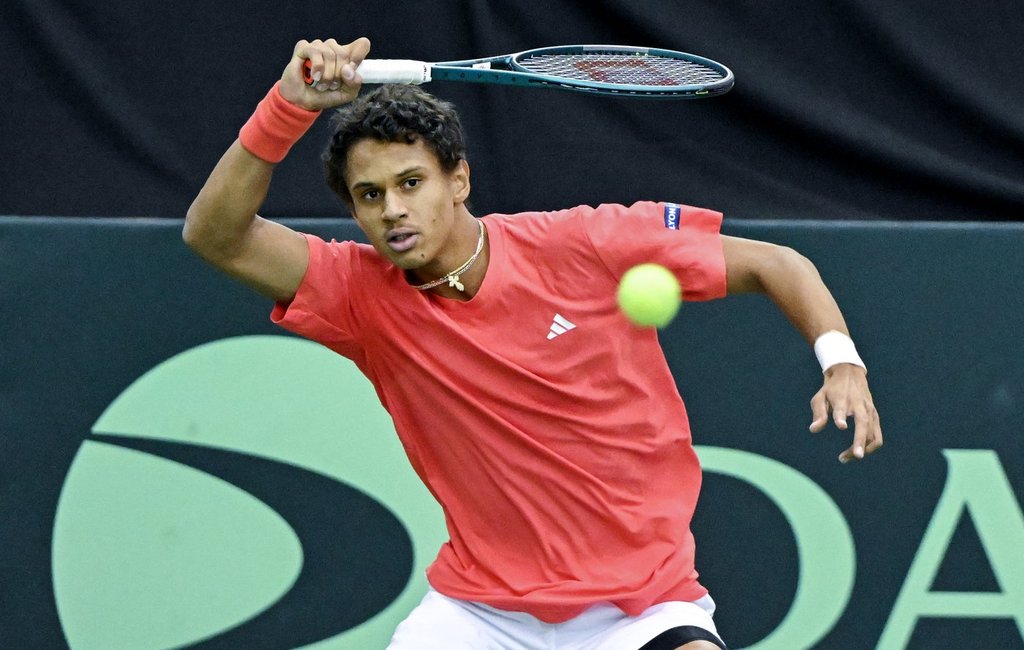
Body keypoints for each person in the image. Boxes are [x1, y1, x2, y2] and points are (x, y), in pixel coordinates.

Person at [184, 37, 882, 650]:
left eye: (411, 183)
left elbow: (776, 263)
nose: (393, 208)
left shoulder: (586, 244)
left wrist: (841, 362)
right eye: (369, 196)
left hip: (636, 606)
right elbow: (214, 235)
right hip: (479, 615)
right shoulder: (358, 293)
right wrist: (287, 106)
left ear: (459, 180)